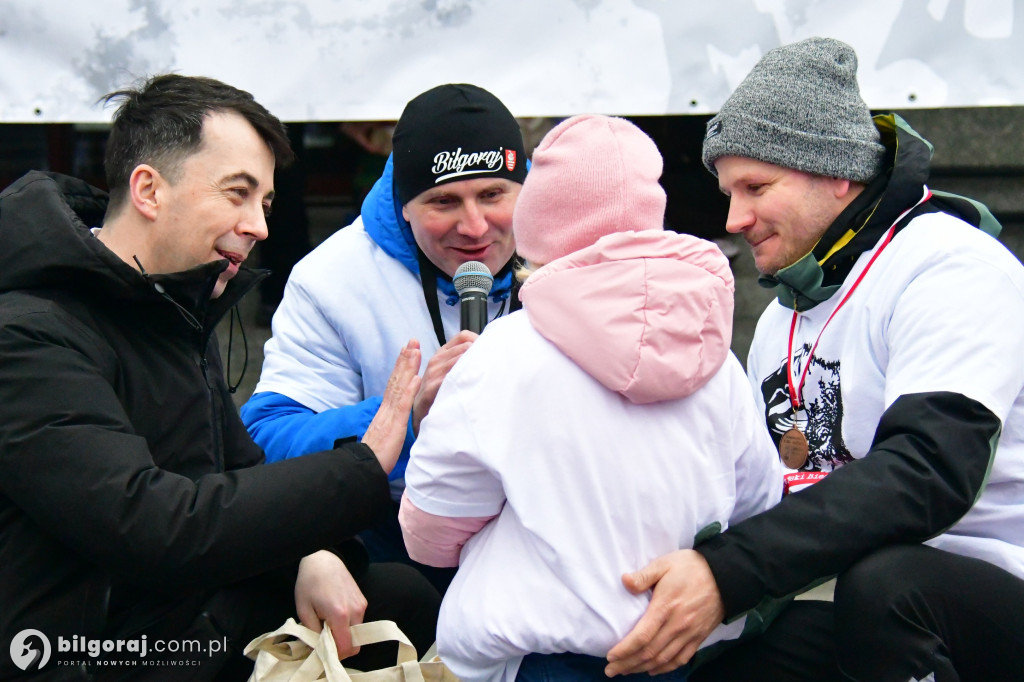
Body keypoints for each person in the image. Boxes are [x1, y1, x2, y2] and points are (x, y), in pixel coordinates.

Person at [605, 37, 1024, 682]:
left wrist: (728, 572)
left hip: (993, 581)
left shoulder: (950, 265)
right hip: (856, 588)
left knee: (889, 589)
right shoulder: (781, 316)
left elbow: (928, 470)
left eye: (755, 187)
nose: (734, 218)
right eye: (726, 192)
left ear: (837, 174)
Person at [0, 74, 440, 680]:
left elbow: (237, 469)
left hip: (184, 615)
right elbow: (155, 527)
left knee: (398, 598)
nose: (259, 226)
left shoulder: (175, 301)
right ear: (149, 190)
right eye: (238, 193)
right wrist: (362, 464)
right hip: (85, 651)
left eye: (265, 203)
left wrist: (309, 551)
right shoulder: (26, 332)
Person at [397, 114, 784, 682]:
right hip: (685, 650)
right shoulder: (714, 356)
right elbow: (758, 502)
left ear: (539, 231)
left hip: (537, 658)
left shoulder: (501, 356)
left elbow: (431, 530)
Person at [241, 83, 528, 589]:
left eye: (493, 195)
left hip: (542, 529)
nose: (476, 226)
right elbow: (265, 443)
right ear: (403, 206)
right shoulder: (333, 278)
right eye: (444, 201)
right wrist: (405, 415)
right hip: (397, 539)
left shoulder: (569, 247)